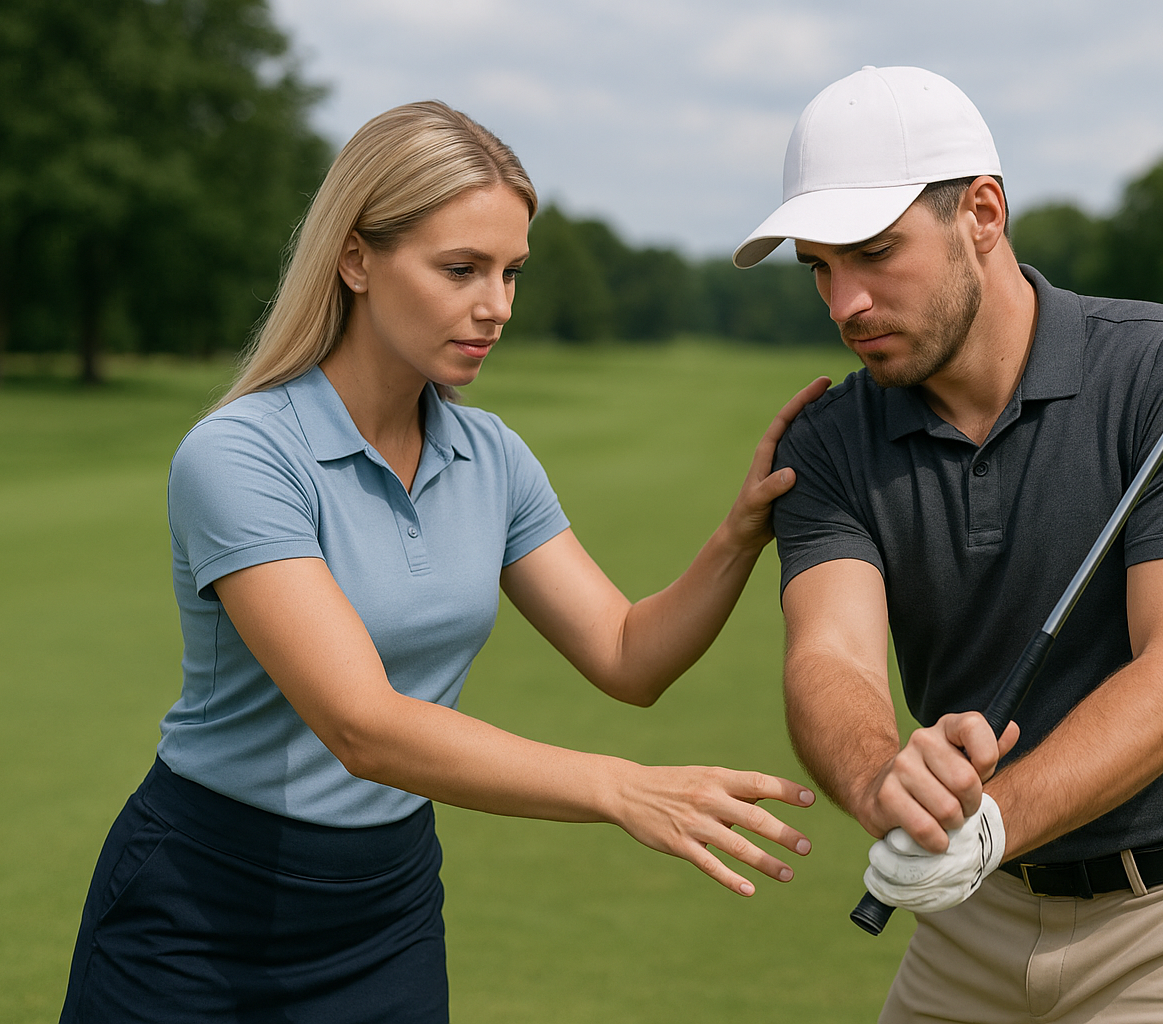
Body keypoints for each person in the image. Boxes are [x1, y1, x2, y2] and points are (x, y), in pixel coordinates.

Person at [59, 100, 828, 1024]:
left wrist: (739, 534)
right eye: (461, 269)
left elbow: (629, 656)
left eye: (511, 272)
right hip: (199, 912)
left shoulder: (492, 457)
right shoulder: (240, 455)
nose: (495, 305)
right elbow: (363, 726)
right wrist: (620, 787)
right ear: (356, 259)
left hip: (385, 912)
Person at [734, 66, 1163, 1023]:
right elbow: (830, 656)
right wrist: (887, 782)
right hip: (973, 916)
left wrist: (992, 821)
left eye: (875, 253)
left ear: (984, 213)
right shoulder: (827, 439)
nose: (845, 305)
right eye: (821, 269)